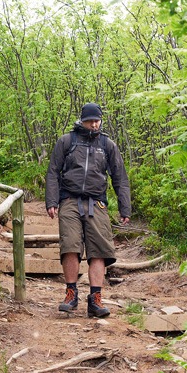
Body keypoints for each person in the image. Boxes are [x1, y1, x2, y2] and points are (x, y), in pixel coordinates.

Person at [44, 102, 131, 319]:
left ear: (101, 120)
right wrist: (51, 201)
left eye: (97, 120)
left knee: (99, 250)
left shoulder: (107, 144)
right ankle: (71, 293)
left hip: (97, 202)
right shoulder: (67, 141)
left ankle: (95, 299)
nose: (93, 124)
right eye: (90, 120)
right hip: (70, 200)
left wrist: (125, 207)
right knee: (70, 245)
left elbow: (120, 177)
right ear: (82, 120)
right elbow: (53, 172)